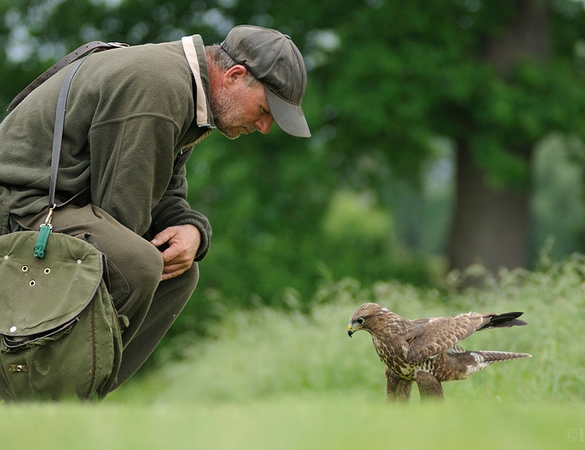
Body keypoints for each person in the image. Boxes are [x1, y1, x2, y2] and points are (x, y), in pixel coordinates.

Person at [0, 25, 311, 390]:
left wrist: (192, 230)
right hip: (22, 207)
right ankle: (34, 391)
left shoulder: (184, 88)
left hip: (54, 208)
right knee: (135, 264)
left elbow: (163, 192)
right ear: (235, 76)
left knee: (178, 269)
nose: (264, 126)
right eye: (265, 109)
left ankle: (78, 393)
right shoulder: (160, 88)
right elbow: (120, 214)